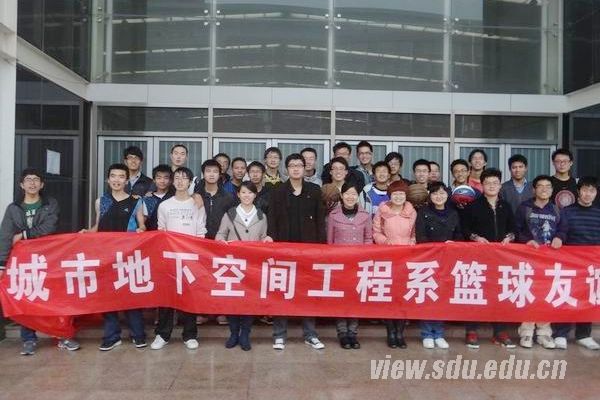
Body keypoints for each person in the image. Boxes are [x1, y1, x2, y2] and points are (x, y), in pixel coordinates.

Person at [0, 168, 80, 355]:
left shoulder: (50, 204)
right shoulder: (13, 208)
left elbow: (49, 227)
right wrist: (2, 263)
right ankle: (28, 339)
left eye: (36, 179)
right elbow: (5, 236)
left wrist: (23, 235)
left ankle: (62, 336)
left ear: (42, 184)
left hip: (49, 259)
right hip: (24, 263)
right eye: (28, 180)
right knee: (26, 299)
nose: (32, 183)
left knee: (55, 298)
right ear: (22, 185)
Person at [81, 163, 147, 351]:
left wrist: (141, 230)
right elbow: (98, 225)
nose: (117, 180)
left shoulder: (136, 201)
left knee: (131, 295)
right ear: (108, 179)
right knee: (107, 296)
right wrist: (87, 232)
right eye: (113, 176)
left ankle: (138, 334)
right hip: (106, 255)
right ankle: (111, 336)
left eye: (121, 176)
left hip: (128, 255)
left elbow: (142, 224)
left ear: (127, 181)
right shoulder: (101, 201)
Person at [268, 153, 326, 351]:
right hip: (284, 249)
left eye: (299, 165)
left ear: (304, 167)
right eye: (292, 165)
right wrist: (272, 242)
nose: (295, 169)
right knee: (281, 291)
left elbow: (320, 220)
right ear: (286, 169)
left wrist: (321, 247)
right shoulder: (278, 191)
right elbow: (272, 219)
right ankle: (279, 334)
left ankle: (310, 334)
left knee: (307, 291)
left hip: (309, 250)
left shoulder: (314, 190)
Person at [150, 167, 207, 351]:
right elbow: (161, 231)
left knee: (190, 297)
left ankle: (190, 335)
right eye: (177, 178)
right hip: (169, 258)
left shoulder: (197, 203)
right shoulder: (165, 205)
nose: (181, 181)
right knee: (167, 297)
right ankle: (162, 334)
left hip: (190, 258)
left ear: (190, 182)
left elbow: (201, 230)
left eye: (184, 178)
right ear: (172, 181)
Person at [461, 168, 516, 349]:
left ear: (500, 185)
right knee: (476, 293)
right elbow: (464, 229)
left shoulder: (506, 206)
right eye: (488, 183)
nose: (491, 186)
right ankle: (471, 330)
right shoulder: (473, 206)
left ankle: (500, 331)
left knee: (500, 293)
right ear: (482, 185)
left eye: (495, 183)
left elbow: (513, 228)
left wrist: (509, 237)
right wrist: (476, 238)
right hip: (478, 257)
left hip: (501, 258)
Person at [216, 181, 273, 351]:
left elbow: (263, 236)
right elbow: (220, 235)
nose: (247, 196)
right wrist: (222, 243)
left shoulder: (262, 216)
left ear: (255, 195)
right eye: (243, 192)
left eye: (250, 193)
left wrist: (266, 239)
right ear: (238, 194)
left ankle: (245, 334)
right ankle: (234, 333)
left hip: (253, 265)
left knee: (250, 300)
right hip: (233, 264)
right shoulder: (230, 214)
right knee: (233, 300)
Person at [552, 176, 600, 350]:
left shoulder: (598, 212)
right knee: (567, 296)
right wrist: (559, 237)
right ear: (579, 191)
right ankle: (560, 334)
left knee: (588, 298)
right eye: (585, 190)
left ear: (596, 193)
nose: (588, 194)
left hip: (592, 265)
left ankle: (584, 335)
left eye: (592, 191)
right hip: (571, 263)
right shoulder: (567, 211)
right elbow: (563, 230)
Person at [514, 175, 561, 350]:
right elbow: (516, 228)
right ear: (534, 189)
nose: (544, 189)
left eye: (548, 186)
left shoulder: (556, 209)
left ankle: (544, 333)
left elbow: (563, 228)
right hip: (528, 259)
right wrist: (526, 240)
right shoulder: (525, 207)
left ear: (552, 190)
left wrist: (559, 237)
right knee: (529, 292)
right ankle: (526, 331)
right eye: (540, 186)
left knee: (546, 294)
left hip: (549, 260)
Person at [415, 182, 462, 349]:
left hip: (448, 261)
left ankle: (439, 333)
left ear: (447, 195)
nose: (438, 196)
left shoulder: (453, 213)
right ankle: (427, 333)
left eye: (442, 193)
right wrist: (436, 247)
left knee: (442, 297)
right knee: (429, 295)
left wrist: (453, 244)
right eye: (435, 193)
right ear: (430, 195)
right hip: (428, 260)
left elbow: (459, 235)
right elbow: (420, 236)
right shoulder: (423, 212)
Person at [327, 182, 372, 350]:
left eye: (353, 194)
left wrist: (364, 256)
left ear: (357, 196)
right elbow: (330, 241)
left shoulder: (365, 215)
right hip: (339, 264)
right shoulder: (333, 215)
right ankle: (342, 333)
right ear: (342, 196)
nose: (350, 197)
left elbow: (368, 238)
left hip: (358, 263)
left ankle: (353, 332)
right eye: (347, 194)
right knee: (341, 298)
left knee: (355, 298)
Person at [373, 180, 416, 349]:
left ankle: (400, 332)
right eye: (395, 194)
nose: (398, 197)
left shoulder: (411, 212)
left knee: (403, 295)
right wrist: (385, 242)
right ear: (390, 196)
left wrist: (412, 243)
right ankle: (390, 332)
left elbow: (414, 233)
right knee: (390, 295)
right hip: (387, 257)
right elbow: (376, 231)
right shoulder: (382, 211)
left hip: (406, 258)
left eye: (401, 194)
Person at [194, 160, 237, 240]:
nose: (211, 174)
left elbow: (233, 222)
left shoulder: (228, 197)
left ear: (219, 175)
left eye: (215, 171)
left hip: (221, 241)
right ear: (203, 174)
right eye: (208, 171)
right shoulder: (197, 197)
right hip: (200, 241)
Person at [142, 164, 173, 231]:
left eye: (166, 178)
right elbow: (142, 223)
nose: (162, 181)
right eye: (159, 178)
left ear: (170, 180)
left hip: (170, 235)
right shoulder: (147, 199)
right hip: (152, 235)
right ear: (154, 180)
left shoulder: (174, 199)